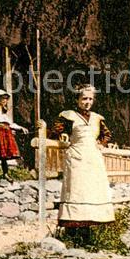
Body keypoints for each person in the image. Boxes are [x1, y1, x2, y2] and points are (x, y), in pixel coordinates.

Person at [49, 84, 114, 227]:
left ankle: (93, 226)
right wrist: (63, 134)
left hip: (93, 159)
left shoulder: (97, 118)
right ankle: (73, 229)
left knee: (93, 189)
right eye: (84, 98)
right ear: (77, 99)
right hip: (77, 159)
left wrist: (101, 144)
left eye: (90, 99)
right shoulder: (68, 116)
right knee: (77, 190)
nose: (87, 102)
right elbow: (54, 131)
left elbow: (107, 134)